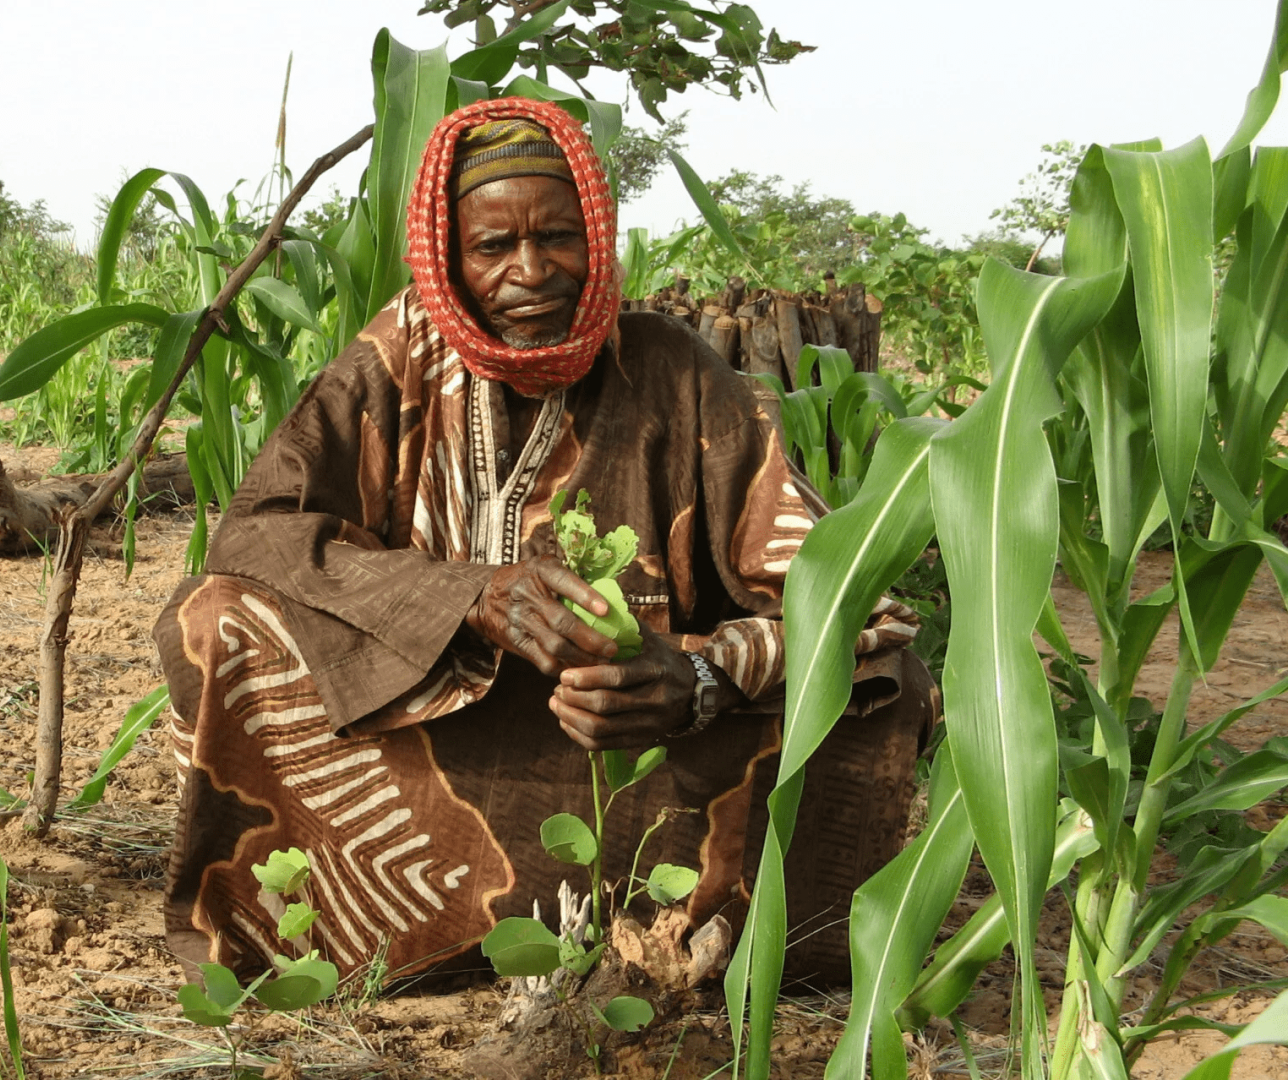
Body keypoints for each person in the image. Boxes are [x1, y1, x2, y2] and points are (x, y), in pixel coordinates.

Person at [153, 97, 933, 986]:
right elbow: (255, 533)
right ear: (450, 257)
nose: (531, 270)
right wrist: (465, 597)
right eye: (492, 247)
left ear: (597, 240)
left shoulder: (674, 371)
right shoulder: (402, 354)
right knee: (216, 621)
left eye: (559, 237)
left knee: (887, 684)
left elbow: (847, 592)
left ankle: (713, 935)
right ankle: (354, 928)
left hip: (641, 742)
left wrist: (703, 679)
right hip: (433, 728)